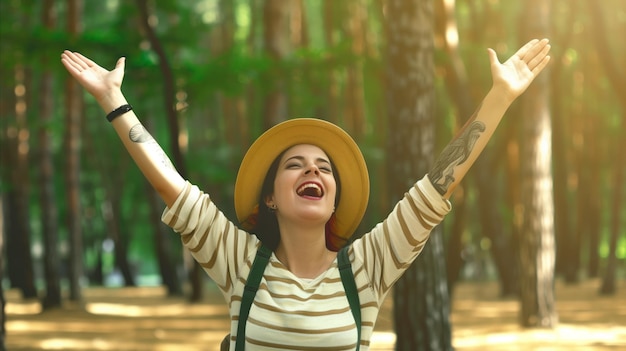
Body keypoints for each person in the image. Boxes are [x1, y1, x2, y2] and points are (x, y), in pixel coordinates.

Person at [61, 38, 551, 350]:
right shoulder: (239, 260)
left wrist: (498, 98)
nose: (311, 171)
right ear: (270, 197)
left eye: (323, 168)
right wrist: (113, 100)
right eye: (294, 165)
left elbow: (440, 182)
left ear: (333, 198)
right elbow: (171, 183)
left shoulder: (368, 266)